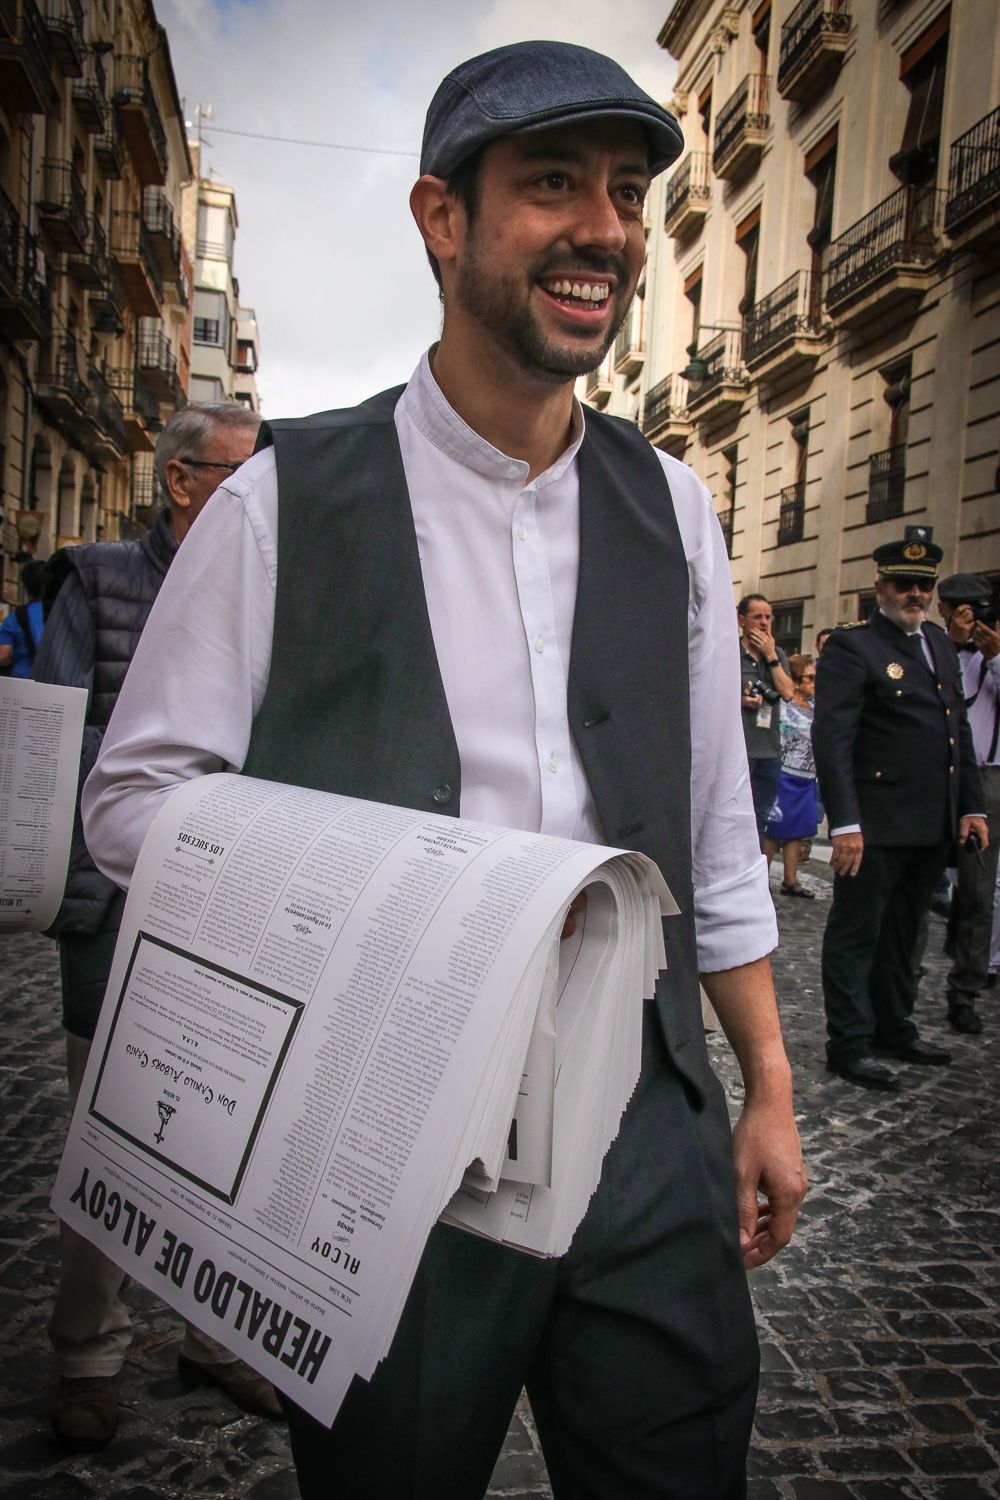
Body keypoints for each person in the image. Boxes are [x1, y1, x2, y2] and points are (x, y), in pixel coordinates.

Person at [83, 42, 806, 1498]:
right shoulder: (283, 501)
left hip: (648, 1118)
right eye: (551, 185)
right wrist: (384, 894)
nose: (603, 227)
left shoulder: (670, 507)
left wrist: (767, 1083)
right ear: (441, 218)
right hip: (383, 1140)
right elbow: (131, 805)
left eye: (621, 193)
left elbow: (717, 828)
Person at [33, 404, 278, 1448]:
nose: (265, 492)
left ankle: (213, 1336)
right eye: (240, 470)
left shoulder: (277, 580)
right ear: (182, 481)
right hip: (113, 903)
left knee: (227, 1127)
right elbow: (49, 741)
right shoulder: (97, 579)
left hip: (237, 911)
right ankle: (88, 1352)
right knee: (113, 1127)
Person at [813, 536, 987, 1091]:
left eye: (923, 585)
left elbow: (957, 733)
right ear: (879, 587)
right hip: (876, 823)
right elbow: (833, 738)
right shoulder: (853, 648)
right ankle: (850, 1042)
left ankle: (894, 1026)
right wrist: (845, 822)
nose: (914, 593)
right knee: (857, 934)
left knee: (906, 934)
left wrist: (972, 808)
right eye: (902, 584)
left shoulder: (937, 643)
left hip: (929, 822)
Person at [937, 572, 1000, 1034]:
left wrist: (994, 657)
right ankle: (952, 987)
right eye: (962, 610)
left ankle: (970, 981)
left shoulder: (994, 656)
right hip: (956, 779)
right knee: (956, 890)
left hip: (992, 777)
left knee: (981, 893)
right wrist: (955, 646)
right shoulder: (938, 652)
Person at [738, 594, 795, 845]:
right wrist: (740, 701)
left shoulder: (777, 654)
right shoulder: (731, 651)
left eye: (768, 617)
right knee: (734, 819)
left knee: (760, 818)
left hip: (768, 752)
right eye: (757, 617)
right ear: (742, 620)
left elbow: (788, 692)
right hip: (740, 751)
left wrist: (770, 656)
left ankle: (757, 879)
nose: (764, 623)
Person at [764, 655, 818, 898]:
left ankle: (790, 879)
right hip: (786, 775)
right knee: (775, 829)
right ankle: (760, 878)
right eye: (810, 678)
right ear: (795, 681)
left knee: (797, 829)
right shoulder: (787, 708)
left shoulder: (815, 708)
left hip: (807, 777)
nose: (814, 682)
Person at [0, 559, 45, 675]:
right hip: (55, 684)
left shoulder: (16, 617)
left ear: (25, 586)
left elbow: (3, 655)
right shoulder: (59, 614)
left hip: (21, 684)